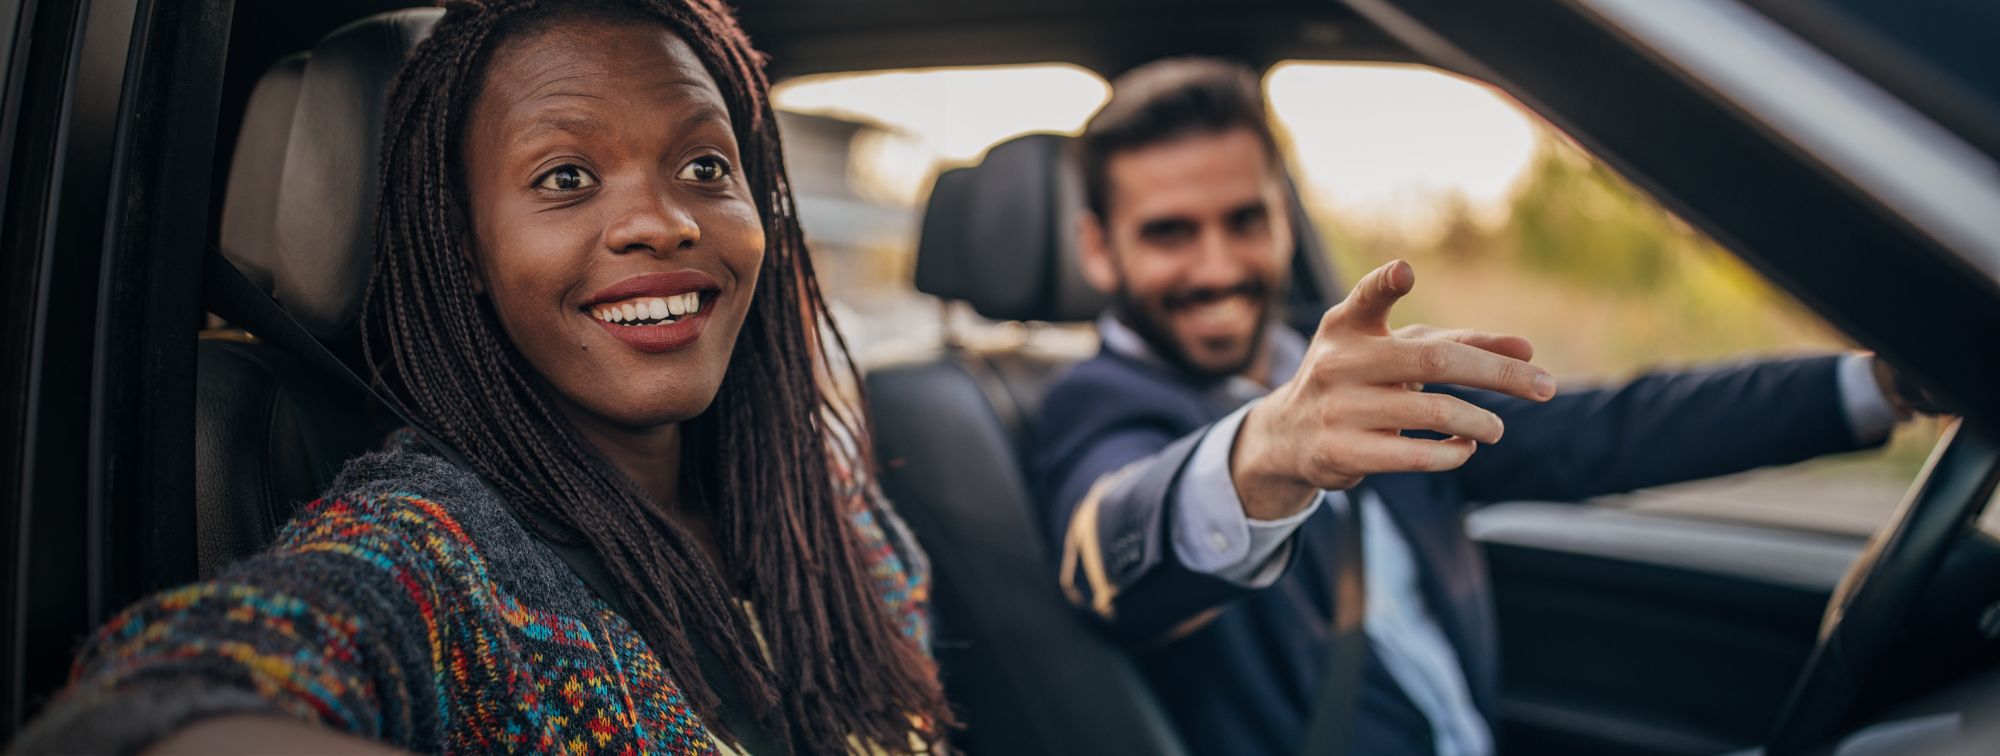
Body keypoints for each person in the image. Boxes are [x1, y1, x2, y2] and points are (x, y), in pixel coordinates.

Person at [11, 0, 949, 753]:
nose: (663, 223)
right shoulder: (437, 550)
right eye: (566, 177)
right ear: (462, 246)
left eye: (706, 163)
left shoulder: (826, 513)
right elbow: (201, 685)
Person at [1032, 58, 1922, 756]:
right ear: (1098, 249)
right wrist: (1268, 447)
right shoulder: (1092, 405)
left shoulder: (1341, 361)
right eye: (1170, 233)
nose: (1219, 265)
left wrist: (1878, 385)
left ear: (1282, 219)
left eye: (1245, 221)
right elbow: (1106, 555)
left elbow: (1611, 430)